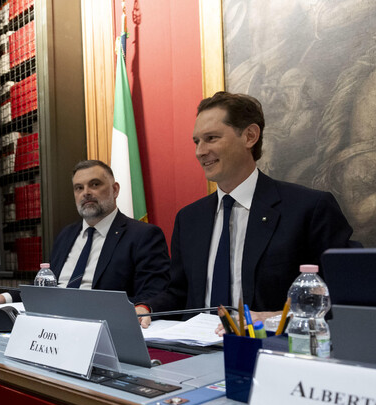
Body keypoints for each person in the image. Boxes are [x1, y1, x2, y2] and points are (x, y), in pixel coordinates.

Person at [137, 92, 354, 326]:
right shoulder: (189, 218)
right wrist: (147, 308)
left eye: (211, 138)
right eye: (196, 141)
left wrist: (273, 319)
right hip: (194, 352)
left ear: (250, 136)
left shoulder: (309, 209)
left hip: (271, 350)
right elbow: (179, 293)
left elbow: (343, 296)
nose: (200, 151)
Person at [0, 160, 170, 306]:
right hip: (52, 321)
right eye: (78, 188)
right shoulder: (67, 235)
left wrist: (139, 308)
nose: (86, 193)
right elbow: (46, 284)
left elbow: (154, 293)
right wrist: (4, 298)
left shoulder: (143, 235)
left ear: (115, 190)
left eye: (95, 184)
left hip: (101, 326)